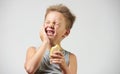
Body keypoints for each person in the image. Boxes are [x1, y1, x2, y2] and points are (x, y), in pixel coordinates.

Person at [24, 4, 77, 74]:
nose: (50, 25)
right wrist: (45, 42)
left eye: (56, 23)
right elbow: (30, 69)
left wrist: (64, 67)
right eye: (47, 22)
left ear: (66, 33)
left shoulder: (71, 57)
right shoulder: (33, 50)